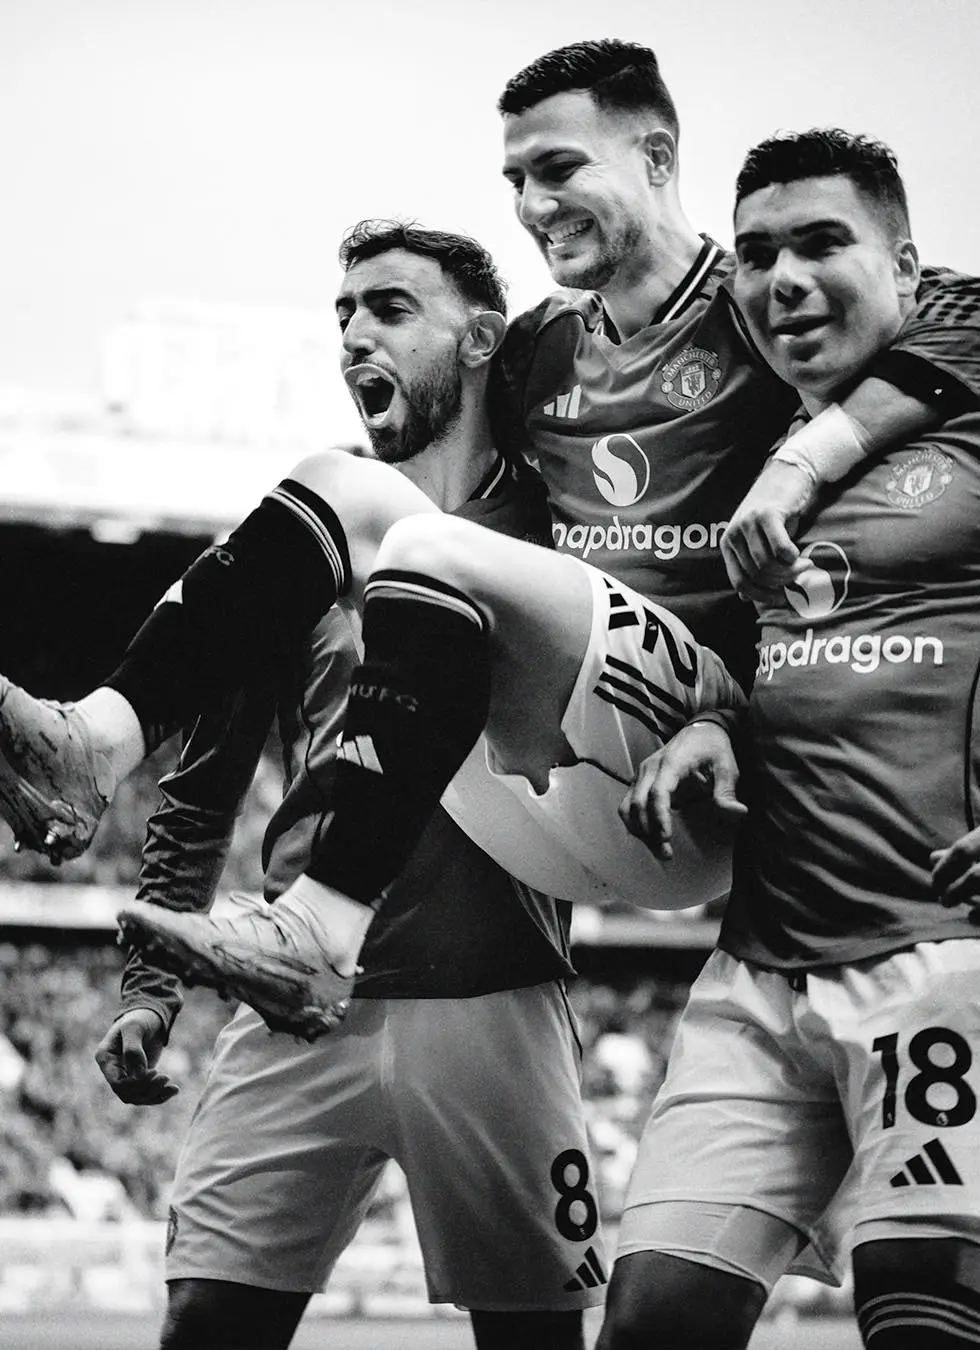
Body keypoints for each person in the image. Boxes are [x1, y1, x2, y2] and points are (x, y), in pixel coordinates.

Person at [0, 42, 980, 1039]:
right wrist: (378, 361)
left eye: (559, 168)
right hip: (558, 779)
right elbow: (421, 436)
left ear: (657, 158)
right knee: (342, 486)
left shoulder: (760, 305)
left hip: (705, 759)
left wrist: (803, 460)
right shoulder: (542, 346)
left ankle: (324, 926)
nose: (534, 205)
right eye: (515, 180)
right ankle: (97, 742)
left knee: (427, 550)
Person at [603, 129, 980, 1350]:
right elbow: (780, 659)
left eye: (822, 243)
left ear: (908, 267)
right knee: (650, 1325)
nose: (784, 279)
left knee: (924, 1324)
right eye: (756, 253)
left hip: (944, 948)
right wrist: (717, 726)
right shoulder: (756, 461)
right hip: (754, 971)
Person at [93, 221, 605, 1350]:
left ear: (481, 339)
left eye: (390, 308)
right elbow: (203, 785)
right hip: (296, 1004)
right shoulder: (300, 547)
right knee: (205, 1325)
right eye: (344, 314)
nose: (355, 334)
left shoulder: (559, 534)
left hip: (494, 997)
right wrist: (149, 989)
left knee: (534, 1342)